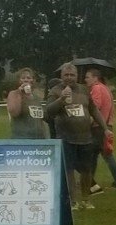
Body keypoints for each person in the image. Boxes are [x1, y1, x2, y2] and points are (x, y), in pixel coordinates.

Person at [43, 62, 107, 209]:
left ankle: (86, 199)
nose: (69, 77)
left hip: (85, 137)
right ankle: (72, 201)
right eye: (66, 75)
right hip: (66, 137)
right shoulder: (55, 90)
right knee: (69, 170)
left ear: (77, 76)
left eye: (72, 75)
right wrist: (61, 100)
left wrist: (105, 128)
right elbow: (48, 112)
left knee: (86, 170)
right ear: (61, 76)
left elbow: (94, 110)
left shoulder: (84, 89)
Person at [83, 67, 116, 190]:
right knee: (103, 154)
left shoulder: (96, 88)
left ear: (95, 78)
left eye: (87, 77)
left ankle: (90, 181)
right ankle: (115, 181)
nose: (85, 79)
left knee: (93, 155)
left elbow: (95, 107)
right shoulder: (106, 88)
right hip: (107, 125)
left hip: (99, 128)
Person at [6, 68, 49, 138]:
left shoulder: (37, 97)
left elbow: (41, 118)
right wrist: (19, 93)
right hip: (21, 138)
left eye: (28, 78)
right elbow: (14, 112)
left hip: (39, 138)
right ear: (19, 81)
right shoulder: (14, 94)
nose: (26, 80)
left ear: (33, 80)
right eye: (23, 78)